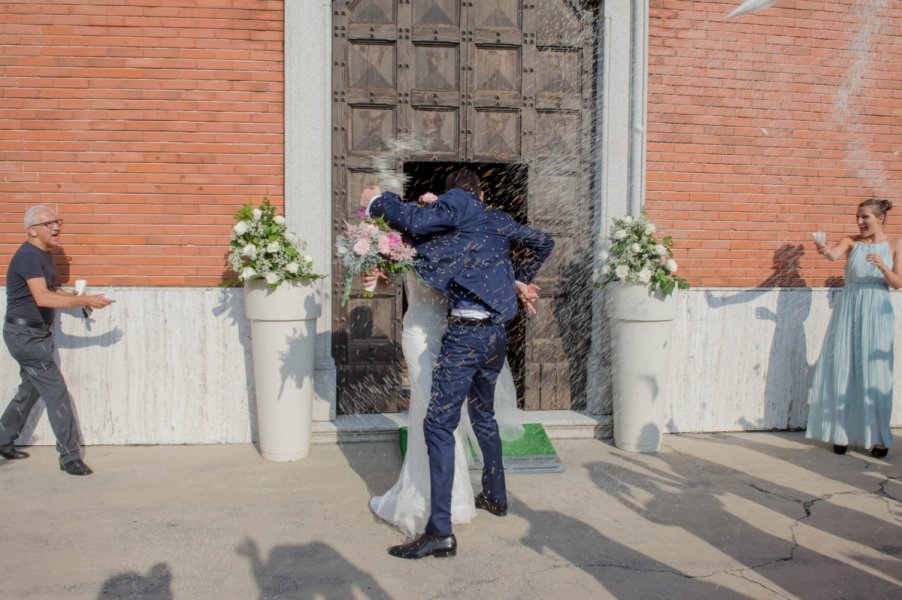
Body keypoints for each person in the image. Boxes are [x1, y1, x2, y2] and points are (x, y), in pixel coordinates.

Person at [361, 168, 554, 558]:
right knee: (482, 414)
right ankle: (496, 496)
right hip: (495, 337)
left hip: (466, 337)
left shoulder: (445, 224)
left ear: (454, 201)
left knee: (437, 426)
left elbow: (418, 229)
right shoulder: (488, 223)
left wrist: (378, 201)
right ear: (480, 197)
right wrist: (519, 279)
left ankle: (439, 532)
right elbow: (542, 242)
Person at [366, 253, 535, 539]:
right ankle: (433, 496)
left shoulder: (460, 244)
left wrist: (515, 284)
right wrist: (378, 277)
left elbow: (486, 279)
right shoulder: (408, 243)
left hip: (456, 336)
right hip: (419, 333)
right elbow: (382, 286)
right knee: (430, 412)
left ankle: (451, 502)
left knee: (444, 417)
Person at [0, 205, 115, 475]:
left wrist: (73, 296)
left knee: (29, 390)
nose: (56, 227)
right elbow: (42, 298)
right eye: (48, 222)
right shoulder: (28, 256)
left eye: (58, 221)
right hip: (25, 336)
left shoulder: (42, 254)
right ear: (31, 230)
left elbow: (50, 291)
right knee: (57, 394)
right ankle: (70, 457)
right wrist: (85, 300)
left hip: (35, 333)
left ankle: (3, 439)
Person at [807, 199, 900, 458]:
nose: (859, 222)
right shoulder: (851, 242)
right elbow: (832, 255)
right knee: (844, 368)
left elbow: (898, 284)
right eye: (858, 217)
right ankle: (841, 433)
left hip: (877, 311)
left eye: (865, 217)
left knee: (876, 373)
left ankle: (878, 437)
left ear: (880, 219)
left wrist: (882, 266)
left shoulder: (895, 244)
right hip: (849, 309)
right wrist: (823, 248)